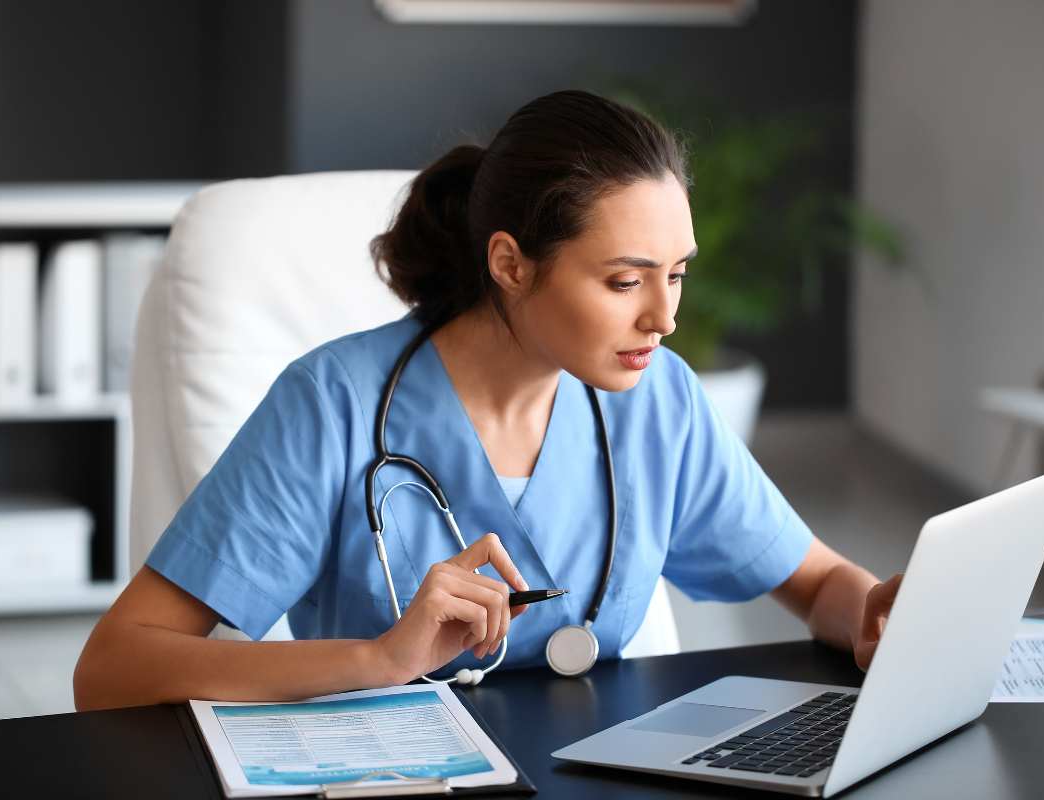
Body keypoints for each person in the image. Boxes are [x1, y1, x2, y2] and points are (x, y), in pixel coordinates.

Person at [73, 90, 902, 711]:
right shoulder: (331, 405)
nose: (666, 317)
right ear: (510, 263)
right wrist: (378, 661)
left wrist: (874, 609)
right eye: (625, 281)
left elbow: (816, 578)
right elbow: (113, 668)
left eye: (676, 273)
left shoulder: (658, 402)